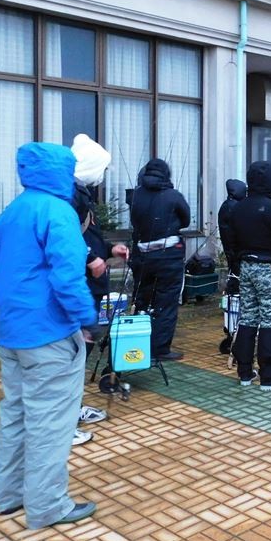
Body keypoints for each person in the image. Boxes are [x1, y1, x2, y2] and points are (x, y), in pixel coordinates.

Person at [0, 142, 98, 528]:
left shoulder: (12, 211)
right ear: (63, 173)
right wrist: (87, 318)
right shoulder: (59, 212)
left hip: (12, 332)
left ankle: (10, 495)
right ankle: (48, 506)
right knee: (50, 421)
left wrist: (10, 307)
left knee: (15, 414)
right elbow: (67, 276)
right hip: (50, 334)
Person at [69, 134, 129, 443]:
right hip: (79, 286)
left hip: (87, 286)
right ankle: (64, 421)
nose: (103, 175)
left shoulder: (79, 193)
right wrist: (91, 258)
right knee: (72, 353)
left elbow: (86, 237)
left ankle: (72, 409)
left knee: (81, 351)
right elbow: (66, 238)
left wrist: (107, 250)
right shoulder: (70, 195)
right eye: (102, 168)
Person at [230, 161, 271, 389]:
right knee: (270, 319)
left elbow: (230, 241)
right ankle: (269, 376)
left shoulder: (238, 207)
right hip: (267, 268)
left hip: (245, 267)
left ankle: (245, 372)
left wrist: (236, 264)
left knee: (248, 317)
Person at [128, 158, 191, 360]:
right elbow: (186, 220)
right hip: (169, 255)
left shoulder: (136, 195)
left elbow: (135, 222)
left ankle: (137, 344)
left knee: (142, 299)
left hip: (142, 255)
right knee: (166, 301)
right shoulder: (174, 196)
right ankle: (160, 348)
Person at [218, 178, 247, 297]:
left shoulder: (227, 205)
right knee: (236, 275)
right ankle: (233, 296)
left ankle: (232, 295)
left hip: (230, 247)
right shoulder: (234, 207)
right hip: (235, 248)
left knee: (234, 272)